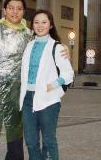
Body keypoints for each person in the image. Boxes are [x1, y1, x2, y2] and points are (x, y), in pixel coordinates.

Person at [0, 0, 69, 160]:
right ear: (5, 10)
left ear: (24, 12)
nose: (15, 11)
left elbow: (47, 45)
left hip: (18, 91)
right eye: (11, 7)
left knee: (15, 130)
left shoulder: (29, 35)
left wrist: (64, 46)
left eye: (19, 8)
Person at [19, 9, 74, 160]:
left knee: (49, 141)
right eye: (36, 22)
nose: (40, 25)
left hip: (48, 100)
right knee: (30, 142)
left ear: (50, 25)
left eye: (44, 22)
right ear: (32, 25)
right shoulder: (28, 46)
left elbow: (68, 74)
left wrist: (53, 84)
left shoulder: (57, 47)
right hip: (27, 99)